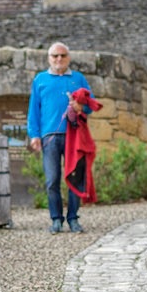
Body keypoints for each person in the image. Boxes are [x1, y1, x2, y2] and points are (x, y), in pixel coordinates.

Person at [28, 42, 94, 233]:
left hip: (75, 136)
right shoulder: (40, 80)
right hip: (50, 137)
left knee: (75, 178)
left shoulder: (78, 78)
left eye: (62, 56)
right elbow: (34, 110)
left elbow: (91, 103)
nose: (59, 59)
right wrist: (34, 135)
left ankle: (73, 219)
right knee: (52, 180)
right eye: (55, 56)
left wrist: (80, 107)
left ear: (69, 58)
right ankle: (56, 219)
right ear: (49, 58)